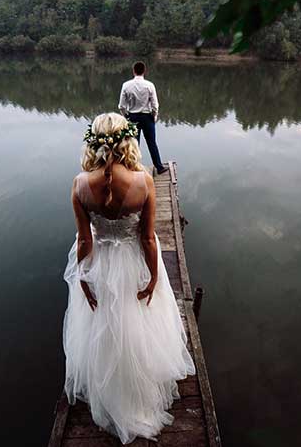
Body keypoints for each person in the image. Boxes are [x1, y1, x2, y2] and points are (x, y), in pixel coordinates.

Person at [62, 113, 195, 444]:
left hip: (102, 264)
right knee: (140, 325)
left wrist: (83, 276)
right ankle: (139, 391)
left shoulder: (80, 184)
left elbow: (84, 241)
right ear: (128, 141)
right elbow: (149, 239)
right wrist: (152, 278)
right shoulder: (144, 180)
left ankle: (111, 392)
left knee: (104, 326)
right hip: (133, 261)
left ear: (92, 141)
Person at [118, 61, 168, 175]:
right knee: (152, 143)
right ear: (144, 71)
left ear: (133, 71)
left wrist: (126, 116)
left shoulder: (126, 85)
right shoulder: (150, 85)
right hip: (147, 117)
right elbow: (155, 105)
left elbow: (121, 106)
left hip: (132, 116)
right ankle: (159, 167)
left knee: (133, 144)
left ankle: (133, 168)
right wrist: (154, 116)